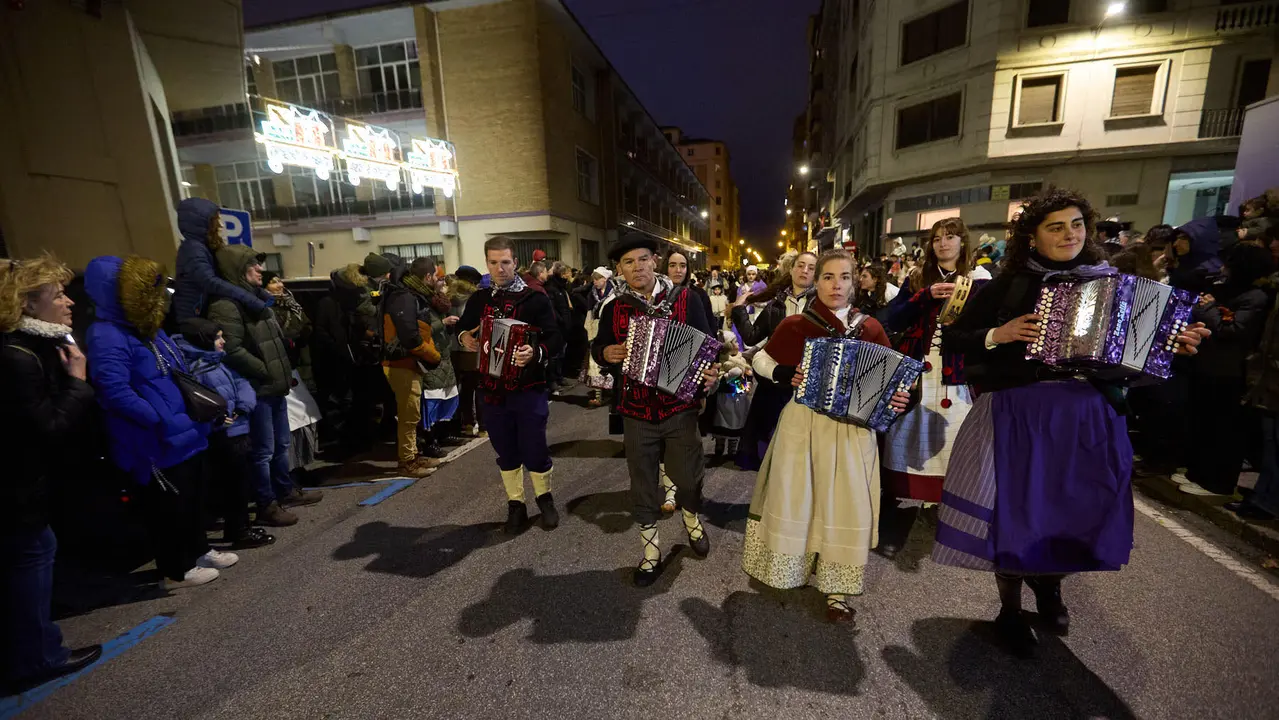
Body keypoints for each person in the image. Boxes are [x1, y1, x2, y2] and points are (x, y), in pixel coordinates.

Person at [935, 188, 1208, 657]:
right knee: (1019, 514)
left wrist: (1174, 343)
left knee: (1070, 511)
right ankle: (1010, 608)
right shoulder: (1010, 283)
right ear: (1032, 236)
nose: (1069, 234)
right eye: (1055, 227)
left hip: (1088, 415)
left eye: (1077, 224)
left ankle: (1050, 588)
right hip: (1022, 413)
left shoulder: (1114, 280)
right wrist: (997, 334)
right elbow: (955, 337)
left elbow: (1141, 353)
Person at [742, 249, 908, 623]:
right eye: (828, 277)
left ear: (854, 282)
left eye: (844, 277)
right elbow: (761, 360)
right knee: (800, 498)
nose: (836, 285)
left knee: (845, 504)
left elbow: (892, 379)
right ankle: (792, 569)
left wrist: (900, 397)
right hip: (803, 425)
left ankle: (837, 591)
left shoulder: (870, 328)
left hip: (852, 432)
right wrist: (786, 374)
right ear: (816, 281)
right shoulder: (798, 324)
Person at [84, 255, 236, 589]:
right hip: (156, 439)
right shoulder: (107, 334)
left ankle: (198, 550)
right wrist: (158, 418)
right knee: (168, 507)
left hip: (186, 432)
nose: (157, 295)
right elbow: (113, 390)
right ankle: (176, 567)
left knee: (192, 498)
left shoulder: (146, 328)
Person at [591, 233, 720, 586]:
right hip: (635, 410)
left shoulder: (686, 299)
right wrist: (605, 353)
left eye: (643, 259)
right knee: (643, 480)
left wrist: (710, 375)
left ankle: (691, 519)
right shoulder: (615, 309)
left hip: (680, 406)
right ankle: (651, 553)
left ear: (655, 261)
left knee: (688, 474)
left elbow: (708, 346)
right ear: (619, 269)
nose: (637, 267)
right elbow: (599, 346)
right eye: (628, 262)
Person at [0, 256, 103, 692]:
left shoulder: (28, 348)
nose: (68, 301)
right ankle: (39, 657)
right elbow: (48, 429)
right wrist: (78, 381)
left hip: (21, 486)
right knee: (31, 559)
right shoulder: (19, 358)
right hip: (17, 490)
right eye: (57, 294)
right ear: (27, 303)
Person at [878, 217, 993, 545]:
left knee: (953, 435)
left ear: (962, 242)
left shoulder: (979, 279)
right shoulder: (916, 278)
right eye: (938, 238)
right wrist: (923, 296)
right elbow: (892, 317)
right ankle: (896, 492)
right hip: (916, 368)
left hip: (955, 371)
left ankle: (943, 504)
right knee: (905, 430)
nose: (943, 243)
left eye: (951, 237)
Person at [209, 245, 322, 526]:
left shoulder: (257, 300)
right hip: (257, 389)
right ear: (237, 269)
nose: (261, 270)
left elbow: (278, 342)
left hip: (273, 387)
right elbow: (231, 349)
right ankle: (265, 503)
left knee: (281, 444)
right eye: (253, 265)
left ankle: (284, 490)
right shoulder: (226, 305)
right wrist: (265, 372)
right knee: (263, 451)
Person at [459, 236, 564, 534]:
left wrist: (536, 352)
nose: (500, 268)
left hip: (528, 387)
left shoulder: (534, 298)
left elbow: (555, 337)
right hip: (491, 389)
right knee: (504, 447)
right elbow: (464, 328)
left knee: (534, 446)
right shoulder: (480, 300)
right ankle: (515, 503)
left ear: (515, 262)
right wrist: (464, 337)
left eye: (505, 262)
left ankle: (545, 499)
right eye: (493, 262)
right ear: (487, 263)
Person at [1177, 242, 1274, 497]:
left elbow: (1231, 330)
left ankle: (1217, 483)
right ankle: (1197, 473)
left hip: (1231, 371)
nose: (1223, 268)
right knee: (1204, 424)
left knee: (1225, 430)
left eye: (1229, 263)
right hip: (1210, 365)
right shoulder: (1229, 291)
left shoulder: (1256, 298)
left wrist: (1208, 307)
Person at [174, 318, 274, 549]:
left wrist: (242, 407)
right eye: (218, 337)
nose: (223, 341)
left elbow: (241, 383)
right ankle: (239, 531)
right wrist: (218, 418)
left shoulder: (215, 361)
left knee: (239, 482)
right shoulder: (195, 367)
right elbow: (198, 402)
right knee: (232, 485)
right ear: (204, 339)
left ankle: (239, 527)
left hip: (236, 428)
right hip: (221, 434)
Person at [733, 252, 819, 471]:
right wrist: (739, 310)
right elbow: (752, 336)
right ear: (791, 269)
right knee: (767, 450)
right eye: (801, 265)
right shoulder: (776, 306)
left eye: (811, 267)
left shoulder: (821, 305)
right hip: (775, 381)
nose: (805, 271)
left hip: (808, 384)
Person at [311, 262, 381, 453]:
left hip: (353, 359)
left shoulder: (350, 304)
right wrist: (339, 350)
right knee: (339, 403)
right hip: (334, 362)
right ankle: (341, 444)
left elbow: (355, 327)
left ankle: (356, 439)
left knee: (355, 401)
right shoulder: (327, 303)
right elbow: (321, 333)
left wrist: (365, 337)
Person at [171, 197, 268, 324]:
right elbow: (211, 282)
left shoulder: (204, 247)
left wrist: (263, 296)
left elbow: (228, 278)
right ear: (202, 224)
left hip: (200, 314)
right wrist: (253, 301)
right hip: (194, 319)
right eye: (215, 221)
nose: (220, 225)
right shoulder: (193, 249)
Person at [449, 266, 485, 437]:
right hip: (471, 349)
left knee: (461, 388)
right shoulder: (474, 299)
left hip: (453, 349)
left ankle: (466, 423)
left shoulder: (447, 298)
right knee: (478, 387)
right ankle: (483, 426)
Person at [575, 267, 616, 407]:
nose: (595, 282)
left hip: (610, 330)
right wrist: (589, 330)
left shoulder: (615, 294)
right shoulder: (592, 295)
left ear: (605, 279)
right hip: (595, 327)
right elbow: (589, 312)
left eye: (597, 279)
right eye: (594, 279)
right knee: (594, 363)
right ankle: (598, 396)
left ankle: (614, 393)